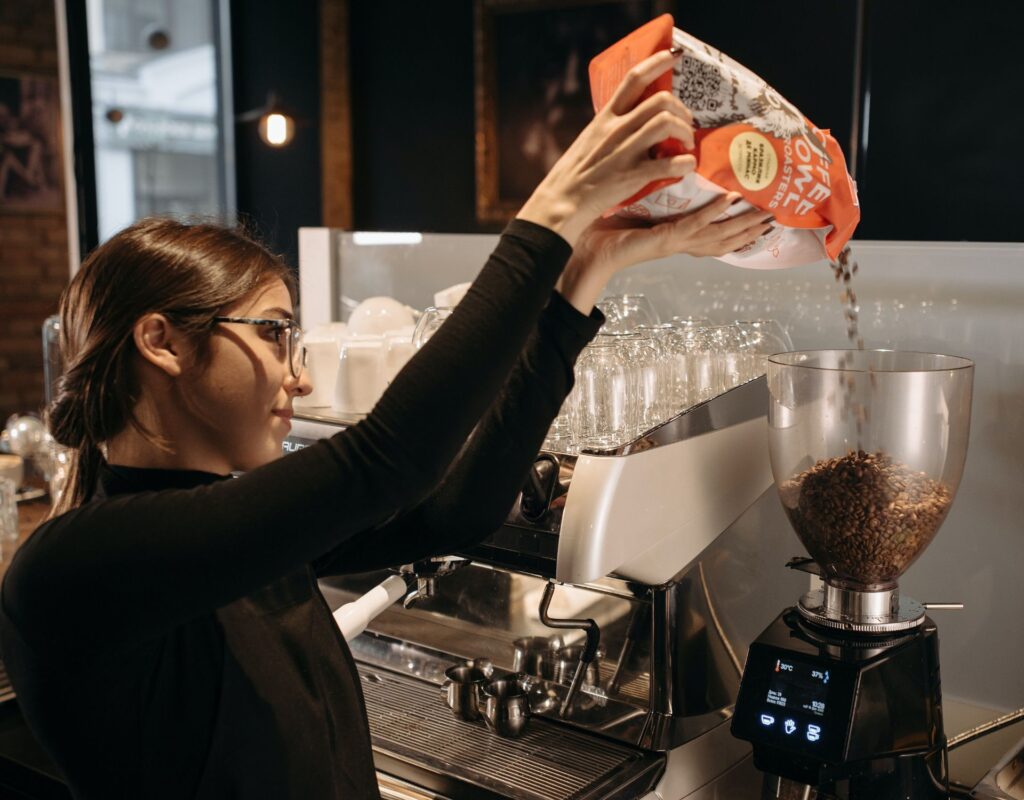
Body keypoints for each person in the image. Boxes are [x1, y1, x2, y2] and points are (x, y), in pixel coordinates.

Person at [0, 50, 772, 799]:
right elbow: (390, 459)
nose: (298, 375)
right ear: (162, 341)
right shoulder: (78, 568)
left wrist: (584, 272)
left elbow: (454, 511)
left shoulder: (231, 531)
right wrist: (552, 214)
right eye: (274, 332)